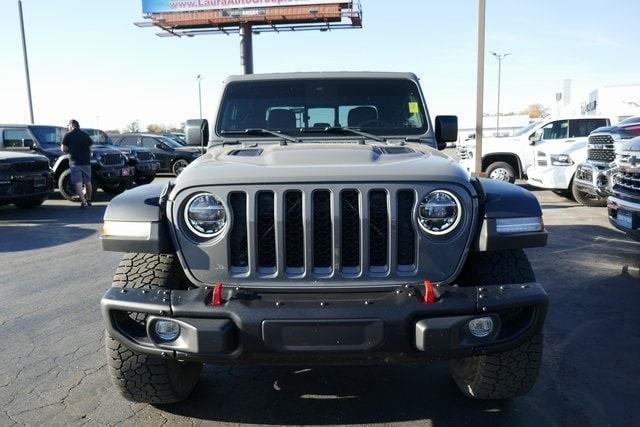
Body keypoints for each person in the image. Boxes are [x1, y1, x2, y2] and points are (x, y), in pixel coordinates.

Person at [61, 119, 93, 208]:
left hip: (75, 163)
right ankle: (89, 200)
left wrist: (70, 149)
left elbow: (63, 149)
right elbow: (90, 148)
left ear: (71, 125)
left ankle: (84, 202)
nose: (68, 128)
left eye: (68, 126)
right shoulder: (86, 135)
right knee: (88, 182)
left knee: (78, 183)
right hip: (86, 162)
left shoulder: (68, 135)